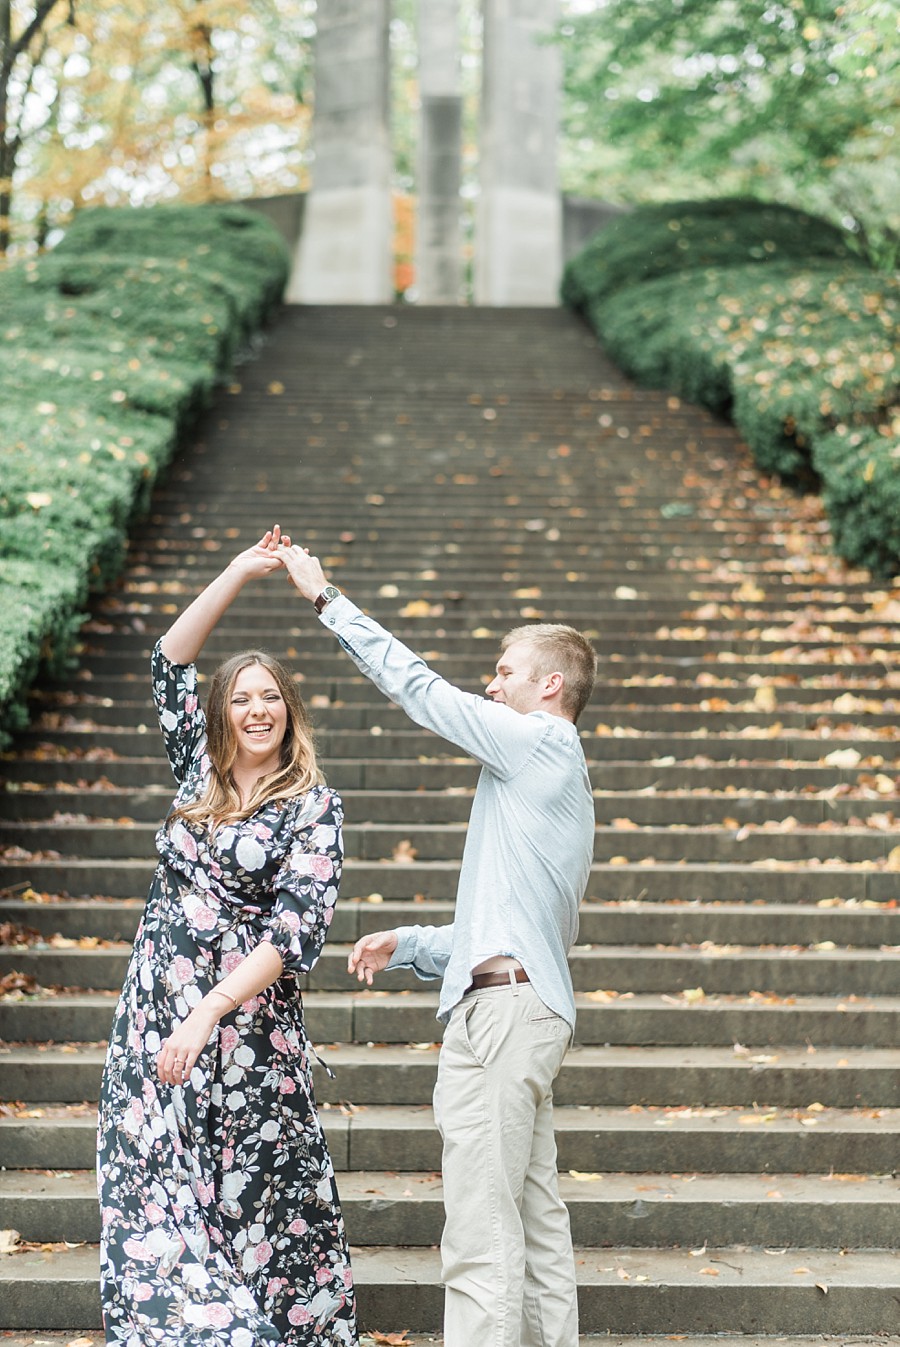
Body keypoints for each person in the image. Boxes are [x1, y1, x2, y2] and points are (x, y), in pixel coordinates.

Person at [280, 541, 597, 1347]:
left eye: (506, 670)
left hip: (501, 1016)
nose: (492, 684)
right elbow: (512, 921)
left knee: (481, 1233)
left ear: (549, 684)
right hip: (526, 1001)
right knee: (535, 1218)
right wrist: (416, 941)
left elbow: (422, 691)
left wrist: (326, 600)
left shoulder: (538, 743)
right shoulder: (553, 779)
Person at [97, 528, 357, 1347]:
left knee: (257, 1191)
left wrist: (209, 1011)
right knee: (151, 1174)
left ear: (289, 712)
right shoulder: (194, 772)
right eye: (241, 697)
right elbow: (168, 660)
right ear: (222, 712)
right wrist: (241, 572)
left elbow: (297, 928)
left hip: (245, 1028)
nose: (256, 709)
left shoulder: (314, 805)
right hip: (152, 1013)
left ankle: (256, 1326)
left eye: (270, 697)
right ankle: (188, 1327)